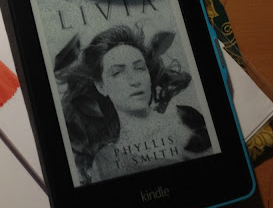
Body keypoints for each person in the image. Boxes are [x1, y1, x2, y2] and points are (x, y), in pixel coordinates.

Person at [56, 24, 212, 185]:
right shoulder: (104, 160)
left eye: (139, 68)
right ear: (101, 86)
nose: (134, 81)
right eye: (117, 72)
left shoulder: (184, 123)